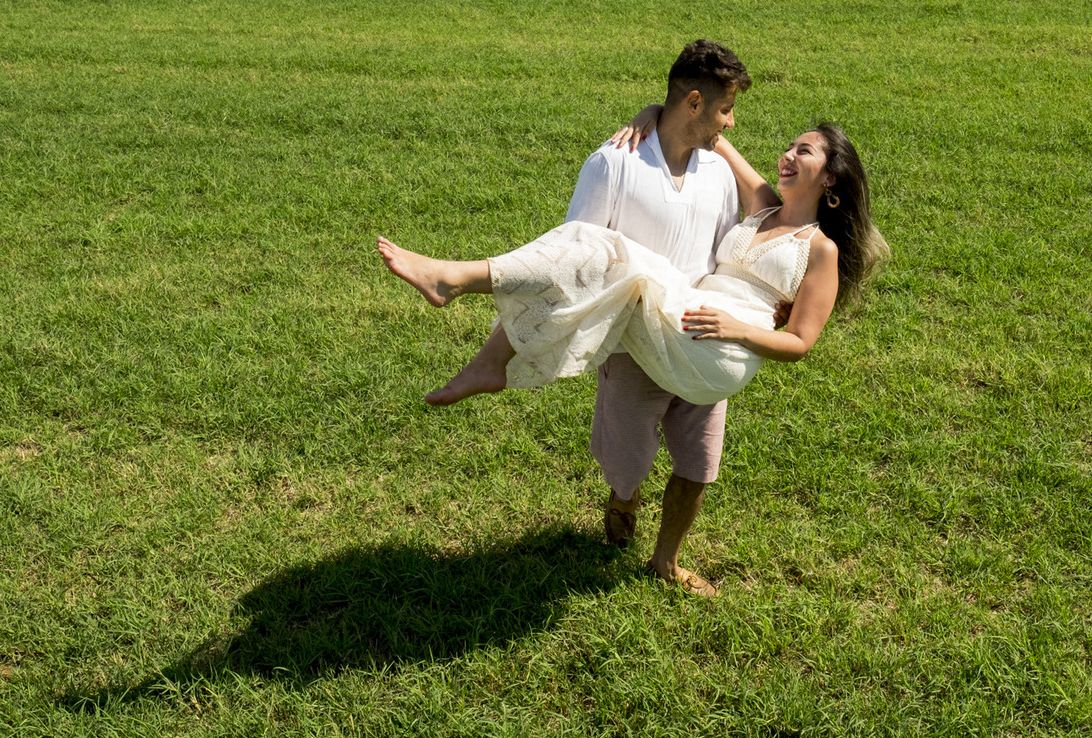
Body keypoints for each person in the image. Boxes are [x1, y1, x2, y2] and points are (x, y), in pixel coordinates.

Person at [380, 42, 886, 596]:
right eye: (789, 145)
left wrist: (739, 329)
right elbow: (707, 137)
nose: (784, 152)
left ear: (831, 180)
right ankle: (618, 502)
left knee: (608, 255)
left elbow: (803, 340)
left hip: (715, 343)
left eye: (804, 151)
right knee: (624, 430)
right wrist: (656, 113)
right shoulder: (755, 202)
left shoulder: (811, 244)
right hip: (675, 325)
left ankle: (460, 289)